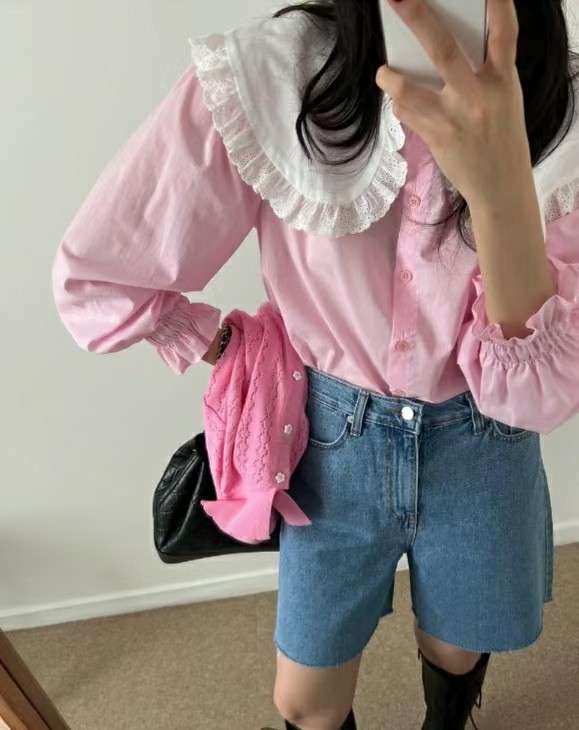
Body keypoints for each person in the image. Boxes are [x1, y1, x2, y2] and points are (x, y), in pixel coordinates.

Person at [51, 0, 579, 728]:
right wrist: (226, 346)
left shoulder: (561, 104)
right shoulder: (273, 72)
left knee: (457, 649)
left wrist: (499, 191)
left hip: (483, 442)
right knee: (304, 701)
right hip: (334, 442)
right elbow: (100, 273)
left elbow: (537, 395)